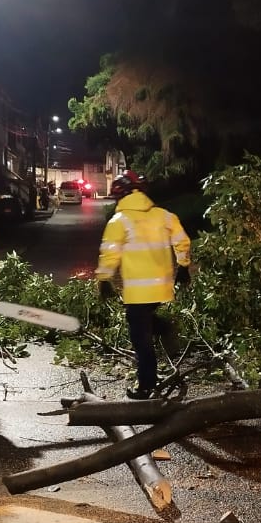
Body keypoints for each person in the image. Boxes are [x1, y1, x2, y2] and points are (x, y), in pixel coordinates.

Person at [95, 170, 192, 398]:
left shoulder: (119, 221)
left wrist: (104, 279)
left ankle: (146, 385)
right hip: (161, 288)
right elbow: (182, 241)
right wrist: (184, 267)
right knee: (145, 323)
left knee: (141, 339)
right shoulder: (164, 216)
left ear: (121, 195)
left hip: (138, 291)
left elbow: (109, 254)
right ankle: (165, 329)